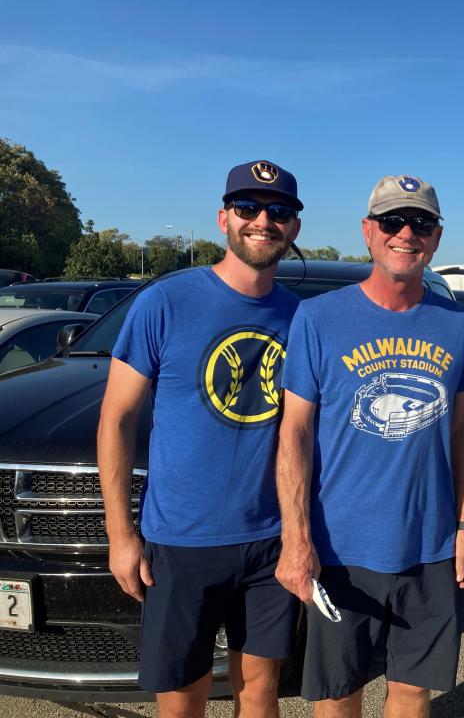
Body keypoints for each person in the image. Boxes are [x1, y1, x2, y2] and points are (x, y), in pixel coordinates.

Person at [274, 175, 464, 718]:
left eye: (421, 223)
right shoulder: (318, 319)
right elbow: (294, 433)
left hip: (430, 545)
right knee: (339, 692)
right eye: (392, 221)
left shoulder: (458, 325)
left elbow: (462, 435)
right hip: (342, 548)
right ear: (368, 233)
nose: (406, 233)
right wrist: (296, 539)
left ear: (436, 237)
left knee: (412, 692)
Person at [98, 160, 304, 717]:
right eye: (248, 208)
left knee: (260, 695)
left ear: (294, 228)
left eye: (279, 211)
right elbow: (115, 420)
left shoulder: (299, 318)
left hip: (269, 540)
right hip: (181, 540)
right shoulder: (165, 302)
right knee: (182, 699)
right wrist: (121, 535)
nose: (263, 220)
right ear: (223, 219)